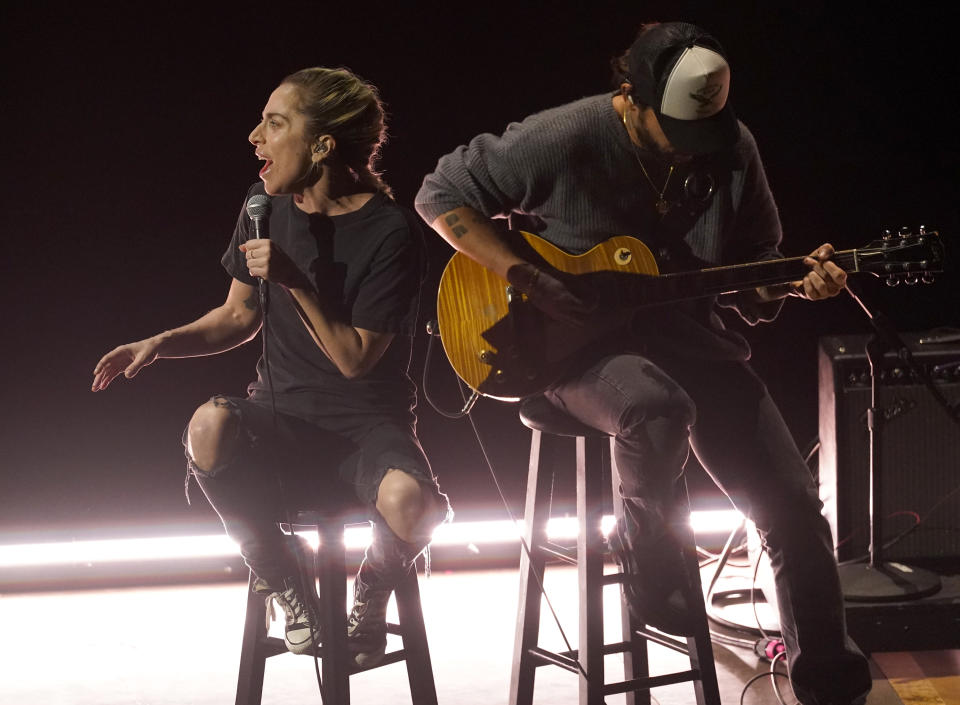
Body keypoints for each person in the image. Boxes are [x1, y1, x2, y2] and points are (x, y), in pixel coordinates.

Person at [415, 21, 870, 705]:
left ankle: (833, 689)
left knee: (795, 508)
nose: (693, 153)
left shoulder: (732, 147)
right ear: (630, 98)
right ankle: (648, 549)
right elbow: (439, 195)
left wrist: (794, 281)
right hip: (573, 348)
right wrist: (528, 277)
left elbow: (752, 277)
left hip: (690, 340)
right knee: (655, 404)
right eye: (676, 133)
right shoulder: (565, 136)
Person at [92, 67, 450, 668]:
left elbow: (356, 359)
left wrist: (294, 280)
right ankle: (284, 580)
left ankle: (372, 588)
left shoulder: (390, 233)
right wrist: (160, 340)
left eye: (275, 124)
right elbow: (238, 317)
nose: (256, 138)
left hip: (365, 427)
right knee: (208, 425)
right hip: (283, 421)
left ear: (322, 145)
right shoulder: (264, 209)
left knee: (413, 502)